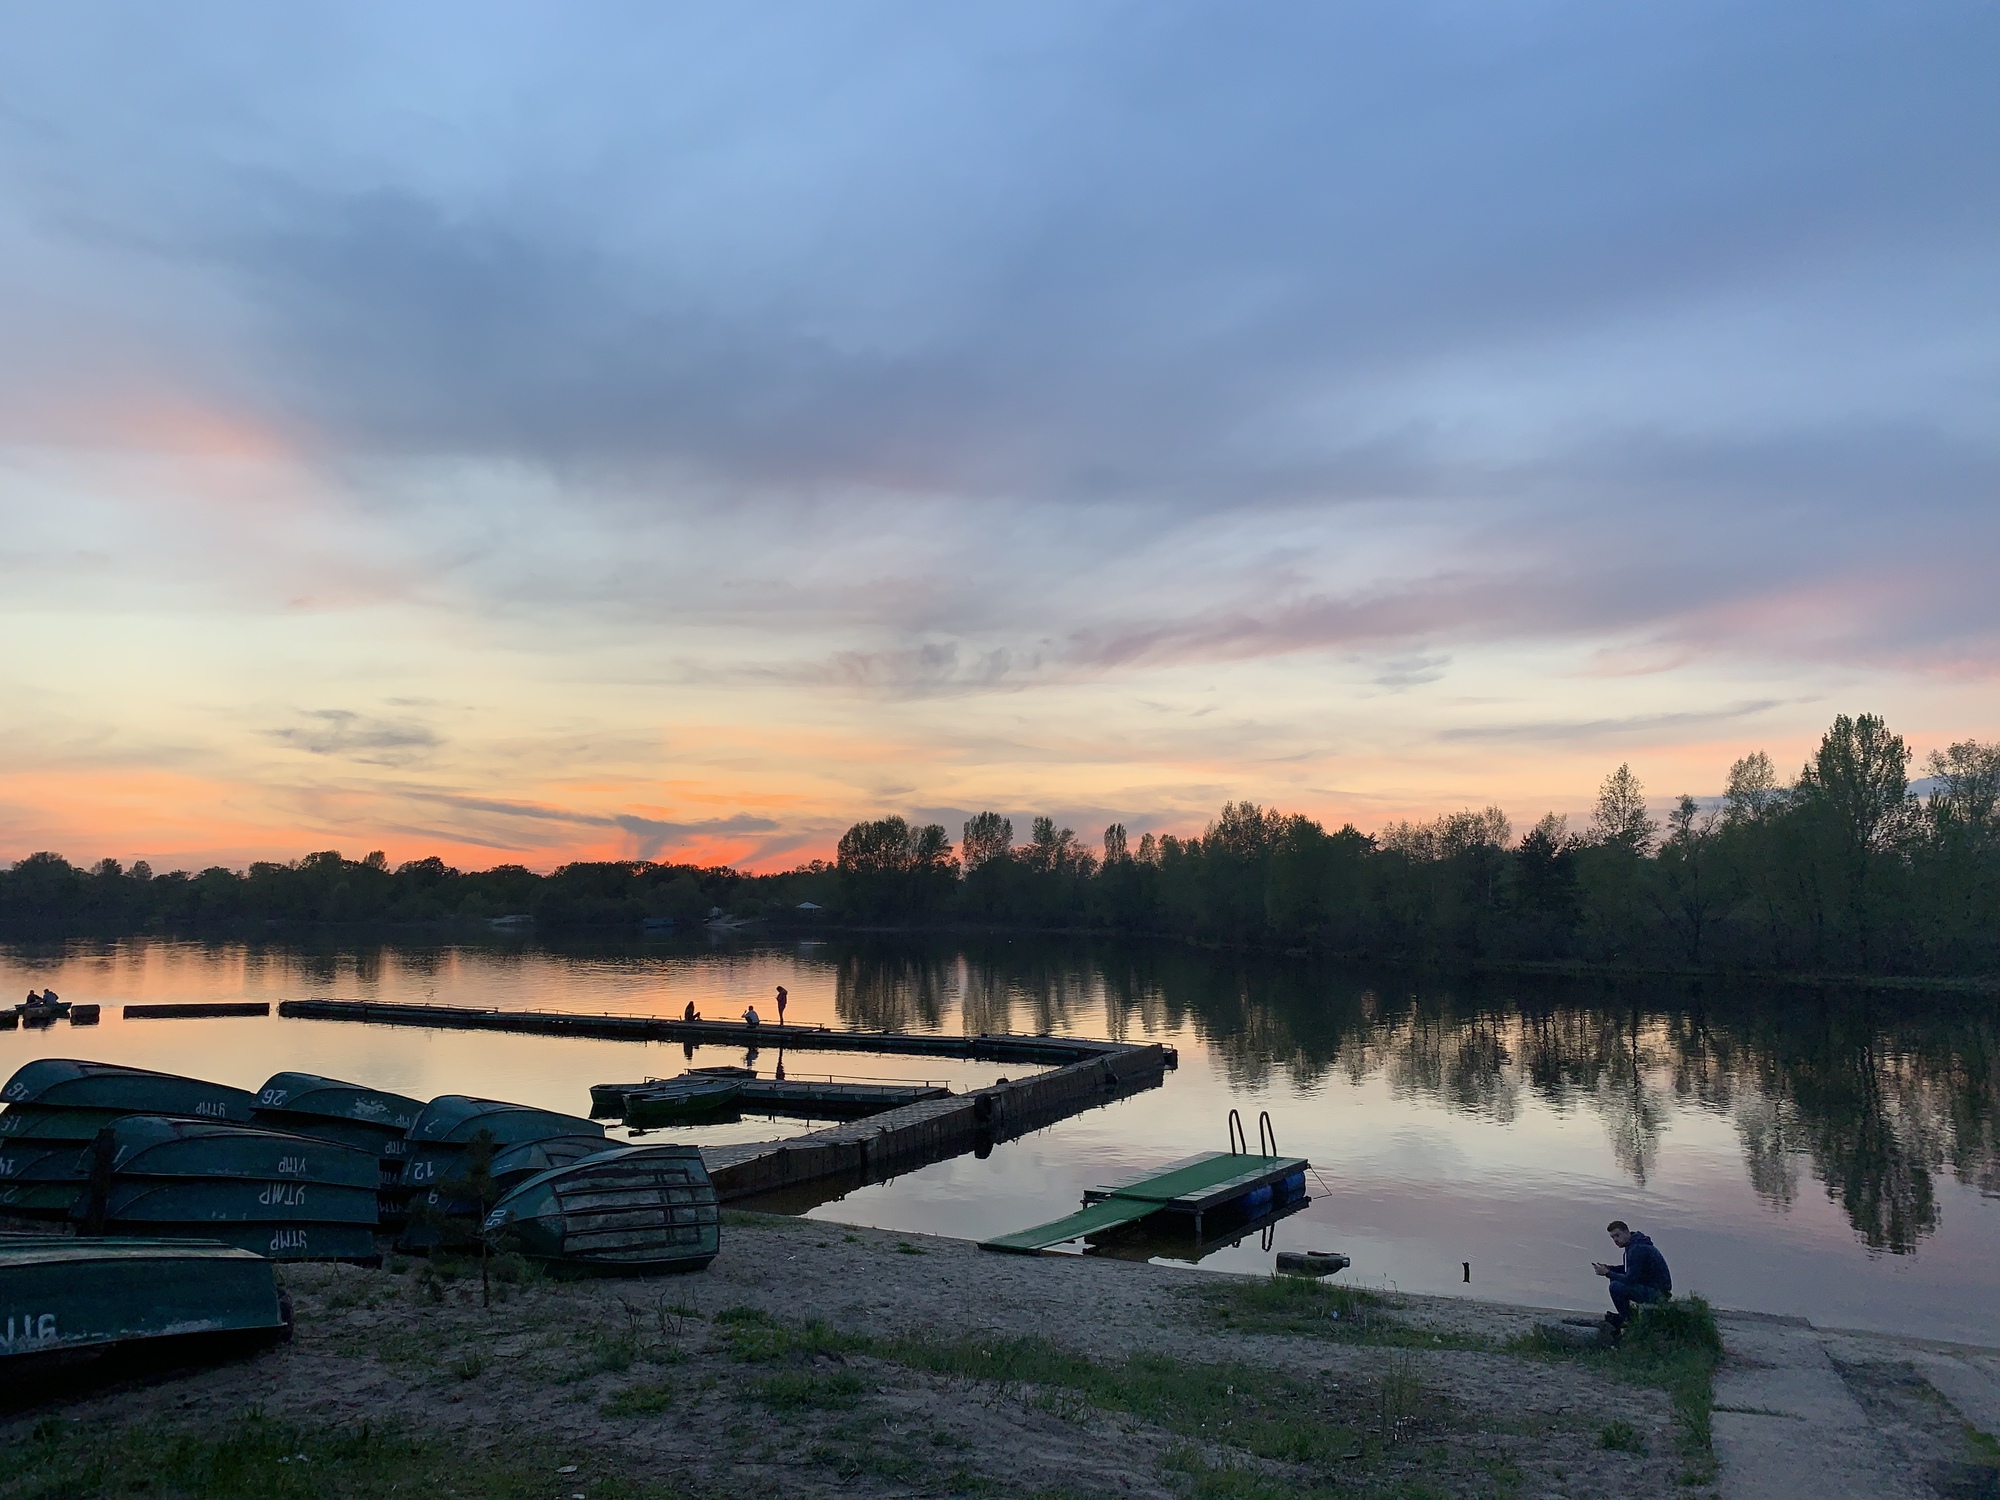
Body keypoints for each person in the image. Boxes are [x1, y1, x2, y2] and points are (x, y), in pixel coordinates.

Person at [1593, 1219, 1672, 1333]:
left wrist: (1607, 1273)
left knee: (1615, 1286)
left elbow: (1630, 1279)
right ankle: (1625, 1316)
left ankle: (1627, 1320)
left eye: (1617, 1235)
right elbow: (1629, 1269)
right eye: (1612, 1237)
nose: (1615, 1240)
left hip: (1658, 1293)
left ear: (1626, 1232)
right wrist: (1609, 1268)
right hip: (1654, 1287)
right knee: (1615, 1280)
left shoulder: (1637, 1249)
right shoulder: (1635, 1244)